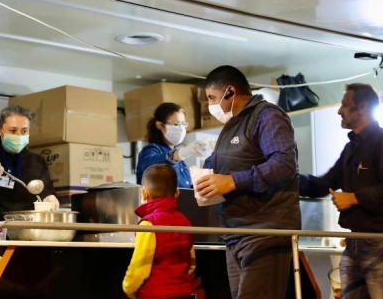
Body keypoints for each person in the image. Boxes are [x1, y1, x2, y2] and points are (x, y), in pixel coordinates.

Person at [194, 65, 301, 299]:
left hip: (264, 232)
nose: (211, 105)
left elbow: (284, 164)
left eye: (212, 98)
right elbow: (219, 164)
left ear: (230, 92)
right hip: (236, 233)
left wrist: (232, 181)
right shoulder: (231, 127)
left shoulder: (267, 116)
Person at [299, 83, 383, 299]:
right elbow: (326, 183)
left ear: (362, 108)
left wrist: (354, 198)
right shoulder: (351, 148)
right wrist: (284, 180)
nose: (339, 111)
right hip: (353, 243)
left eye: (345, 105)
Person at [123, 164, 196, 299]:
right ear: (177, 193)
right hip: (182, 292)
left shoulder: (148, 224)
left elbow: (140, 266)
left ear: (144, 193)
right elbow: (191, 263)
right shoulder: (185, 222)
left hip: (154, 293)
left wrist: (128, 288)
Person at [0, 105, 57, 221]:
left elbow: (47, 191)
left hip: (27, 224)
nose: (19, 135)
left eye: (24, 131)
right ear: (0, 130)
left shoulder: (36, 161)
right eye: (13, 130)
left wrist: (50, 198)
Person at [137, 102, 212, 189]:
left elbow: (186, 188)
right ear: (160, 125)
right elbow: (150, 166)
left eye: (183, 124)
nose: (181, 129)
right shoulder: (151, 150)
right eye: (176, 124)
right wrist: (180, 154)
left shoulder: (181, 163)